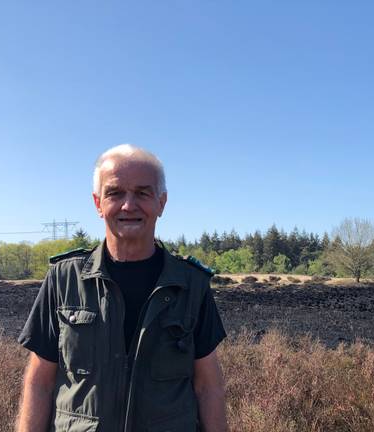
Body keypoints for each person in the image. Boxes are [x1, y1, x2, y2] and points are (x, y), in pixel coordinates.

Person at [16, 144, 228, 432]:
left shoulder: (191, 284)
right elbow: (40, 381)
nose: (129, 205)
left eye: (143, 193)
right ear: (98, 203)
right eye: (115, 193)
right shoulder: (64, 279)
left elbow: (207, 385)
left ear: (161, 203)